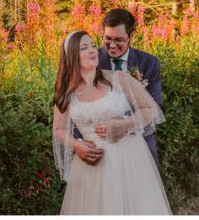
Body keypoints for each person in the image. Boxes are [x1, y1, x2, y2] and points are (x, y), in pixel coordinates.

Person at [53, 31, 170, 215]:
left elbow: (151, 109)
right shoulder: (67, 93)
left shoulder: (118, 79)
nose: (93, 50)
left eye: (92, 45)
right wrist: (77, 145)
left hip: (129, 160)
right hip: (92, 167)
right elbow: (59, 129)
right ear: (72, 57)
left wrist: (123, 125)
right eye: (84, 48)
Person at [99, 8, 164, 161]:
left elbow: (156, 106)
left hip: (140, 142)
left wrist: (124, 125)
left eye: (119, 40)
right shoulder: (92, 61)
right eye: (108, 39)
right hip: (103, 147)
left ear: (131, 36)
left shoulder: (149, 62)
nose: (112, 45)